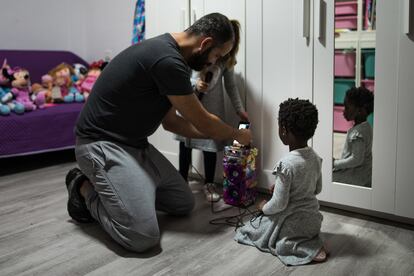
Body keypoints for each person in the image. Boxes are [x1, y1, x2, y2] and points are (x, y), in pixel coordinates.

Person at [65, 13, 252, 253]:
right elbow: (203, 121)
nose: (213, 63)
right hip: (100, 144)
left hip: (135, 145)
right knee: (142, 236)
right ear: (205, 44)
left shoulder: (177, 62)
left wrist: (215, 134)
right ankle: (82, 186)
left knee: (183, 203)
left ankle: (132, 186)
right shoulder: (166, 59)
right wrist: (237, 135)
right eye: (216, 56)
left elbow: (172, 123)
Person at [234, 98, 327, 266]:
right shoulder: (315, 158)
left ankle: (304, 249)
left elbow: (279, 204)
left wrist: (263, 207)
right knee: (269, 225)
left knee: (251, 229)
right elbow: (317, 189)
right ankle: (311, 242)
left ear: (283, 130)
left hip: (292, 224)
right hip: (314, 222)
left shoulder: (286, 164)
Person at [176, 19, 249, 202]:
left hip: (213, 108)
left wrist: (240, 110)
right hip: (190, 103)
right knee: (185, 144)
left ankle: (209, 183)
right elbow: (181, 76)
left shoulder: (225, 62)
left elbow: (231, 87)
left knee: (210, 145)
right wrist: (195, 84)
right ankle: (181, 180)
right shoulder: (194, 55)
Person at [333, 87, 374, 187]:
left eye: (347, 108)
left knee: (326, 177)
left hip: (357, 175)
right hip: (362, 172)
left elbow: (356, 160)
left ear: (360, 111)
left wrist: (335, 164)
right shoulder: (366, 127)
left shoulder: (358, 133)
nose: (344, 111)